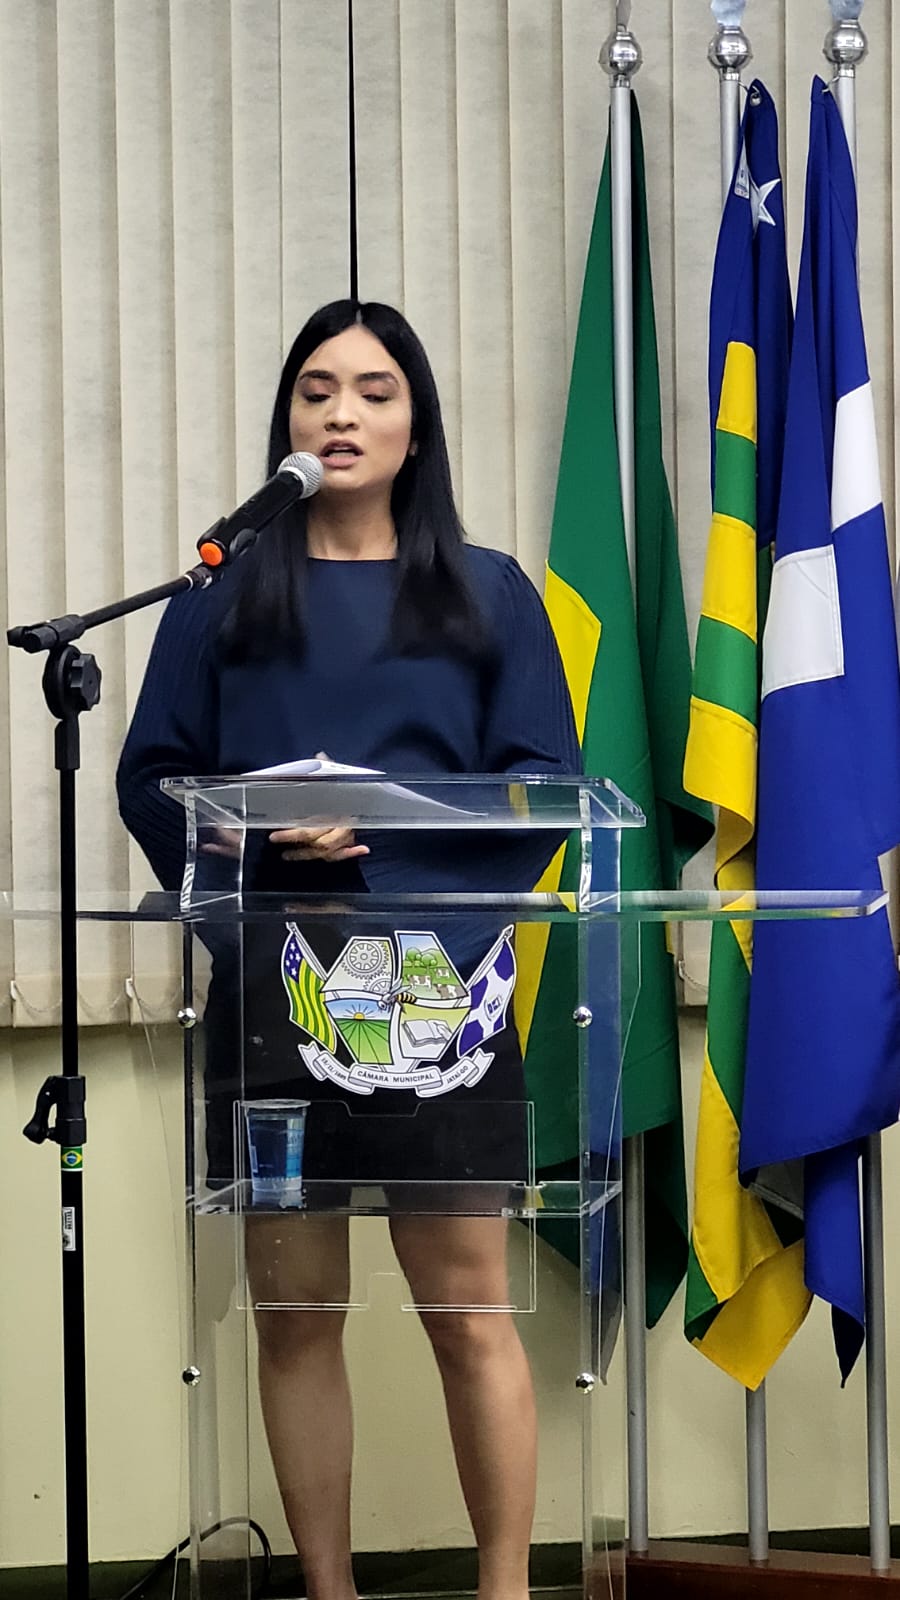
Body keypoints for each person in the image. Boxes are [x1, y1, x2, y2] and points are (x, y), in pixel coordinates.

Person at [118, 300, 581, 1600]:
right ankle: (328, 1592)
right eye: (316, 389)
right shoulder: (220, 594)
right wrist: (261, 838)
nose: (341, 413)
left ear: (415, 425)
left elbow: (545, 793)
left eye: (375, 391)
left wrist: (378, 829)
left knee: (469, 1316)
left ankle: (504, 1588)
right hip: (274, 993)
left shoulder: (488, 591)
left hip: (442, 994)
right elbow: (153, 782)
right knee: (295, 1315)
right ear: (287, 418)